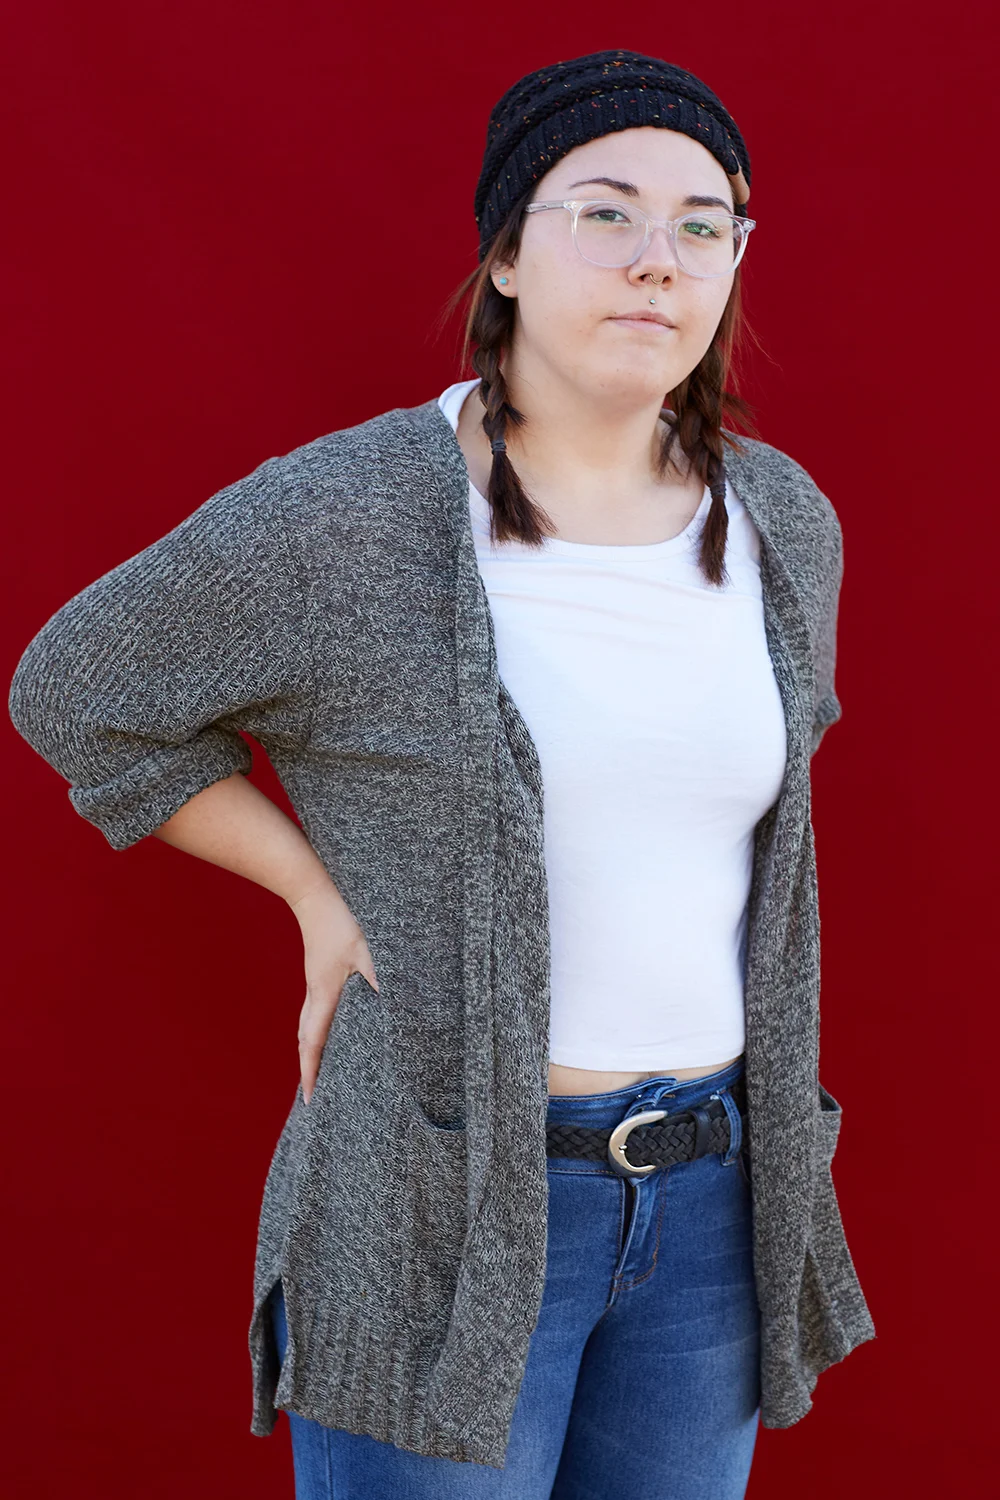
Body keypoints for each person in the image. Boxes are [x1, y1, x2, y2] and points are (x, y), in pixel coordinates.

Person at [7, 47, 875, 1500]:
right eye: (605, 213)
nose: (657, 260)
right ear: (507, 257)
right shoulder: (352, 515)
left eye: (702, 224)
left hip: (719, 1199)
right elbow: (79, 691)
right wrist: (312, 889)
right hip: (439, 1205)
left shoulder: (784, 520)